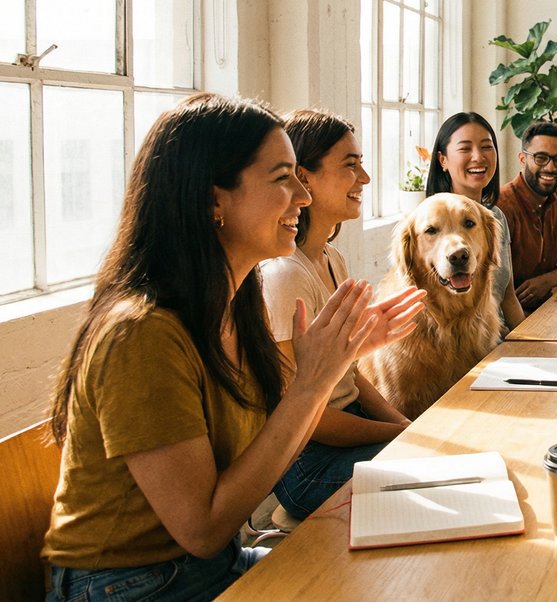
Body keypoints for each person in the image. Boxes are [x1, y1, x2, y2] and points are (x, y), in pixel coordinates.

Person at [42, 94, 422, 600]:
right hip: (131, 583)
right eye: (282, 178)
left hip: (208, 563)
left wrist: (336, 363)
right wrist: (313, 382)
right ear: (213, 199)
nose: (302, 198)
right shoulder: (140, 334)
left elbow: (269, 445)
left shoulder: (235, 303)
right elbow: (201, 529)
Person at [260, 110, 423, 520]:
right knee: (439, 466)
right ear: (304, 177)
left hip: (350, 430)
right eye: (350, 166)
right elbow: (307, 420)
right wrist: (403, 435)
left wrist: (407, 426)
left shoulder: (333, 258)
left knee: (443, 454)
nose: (365, 179)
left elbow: (351, 377)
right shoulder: (284, 276)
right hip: (309, 464)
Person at [427, 112, 524, 332]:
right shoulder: (427, 227)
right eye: (465, 148)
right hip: (459, 355)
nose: (478, 157)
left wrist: (531, 347)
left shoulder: (495, 217)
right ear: (443, 160)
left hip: (499, 343)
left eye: (487, 147)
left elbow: (507, 298)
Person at [495, 121, 557, 312]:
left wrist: (548, 280)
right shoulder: (501, 206)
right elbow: (493, 284)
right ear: (522, 159)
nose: (551, 168)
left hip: (550, 308)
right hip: (511, 318)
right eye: (541, 158)